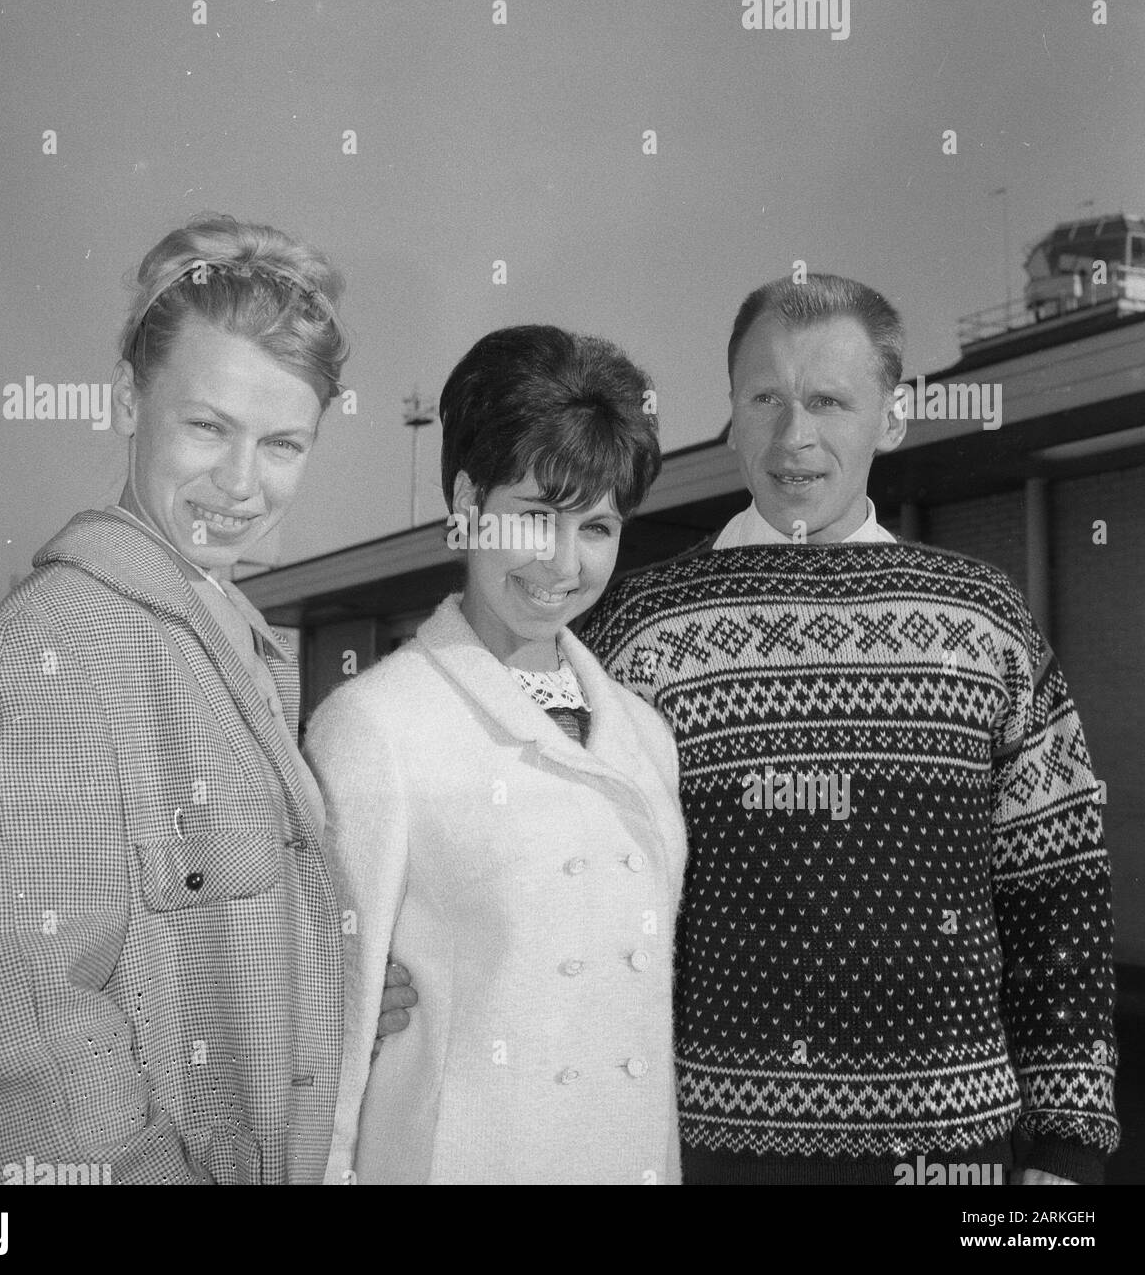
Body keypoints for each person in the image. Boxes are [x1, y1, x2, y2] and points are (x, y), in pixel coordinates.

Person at [0, 212, 406, 1186]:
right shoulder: (58, 642)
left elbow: (195, 950)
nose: (241, 483)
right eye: (207, 426)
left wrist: (320, 991)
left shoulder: (230, 636)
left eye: (281, 442)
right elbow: (3, 1039)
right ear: (127, 397)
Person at [580, 274, 1119, 1185]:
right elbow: (562, 888)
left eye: (829, 400)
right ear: (732, 412)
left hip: (959, 1157)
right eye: (767, 399)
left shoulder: (984, 622)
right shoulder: (637, 633)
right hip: (703, 1151)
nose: (796, 438)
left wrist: (1068, 1151)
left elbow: (1056, 891)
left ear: (893, 416)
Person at [306, 325, 687, 1184]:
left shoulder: (645, 737)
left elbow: (640, 1035)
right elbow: (330, 1040)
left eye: (596, 526)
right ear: (468, 502)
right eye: (535, 516)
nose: (562, 563)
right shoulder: (376, 726)